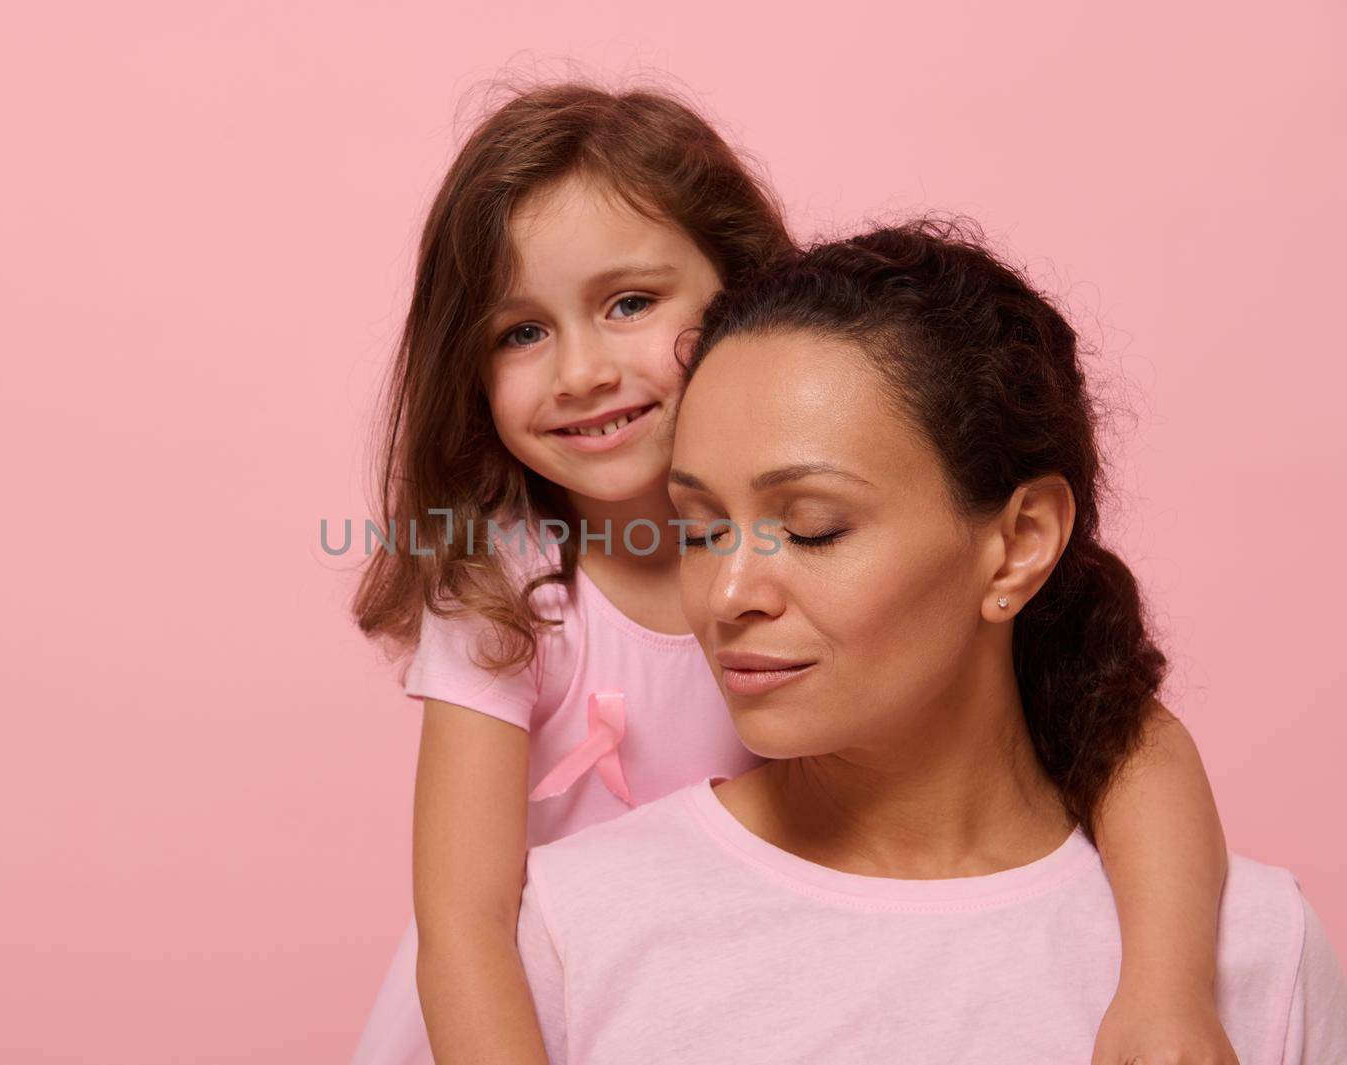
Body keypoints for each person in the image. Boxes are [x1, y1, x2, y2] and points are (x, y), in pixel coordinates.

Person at [351, 83, 1236, 1065]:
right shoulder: (501, 584)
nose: (582, 372)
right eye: (520, 332)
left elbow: (1122, 739)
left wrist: (1164, 990)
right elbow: (465, 923)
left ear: (736, 297)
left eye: (630, 304)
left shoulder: (924, 568)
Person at [513, 220, 1347, 1063]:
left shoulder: (1250, 958)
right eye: (698, 531)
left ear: (1020, 542)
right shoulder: (579, 926)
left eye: (812, 529)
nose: (728, 596)